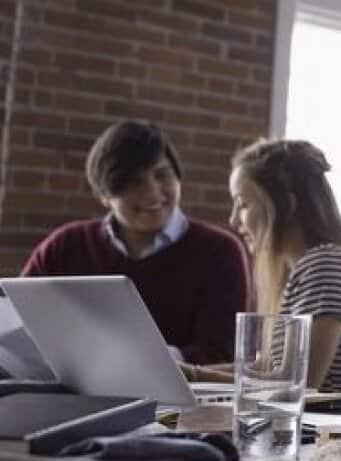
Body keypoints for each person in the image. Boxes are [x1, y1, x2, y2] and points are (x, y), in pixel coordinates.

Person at [22, 120, 249, 365]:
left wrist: (136, 361)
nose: (152, 193)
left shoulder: (219, 253)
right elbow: (15, 320)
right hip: (72, 395)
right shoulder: (65, 246)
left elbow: (220, 355)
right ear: (104, 196)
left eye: (162, 175)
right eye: (133, 182)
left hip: (181, 402)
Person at [192, 139, 341, 393]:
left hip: (338, 429)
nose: (233, 220)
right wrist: (186, 371)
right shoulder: (309, 268)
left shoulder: (325, 265)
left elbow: (297, 383)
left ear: (285, 205)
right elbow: (267, 368)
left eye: (244, 204)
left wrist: (192, 376)